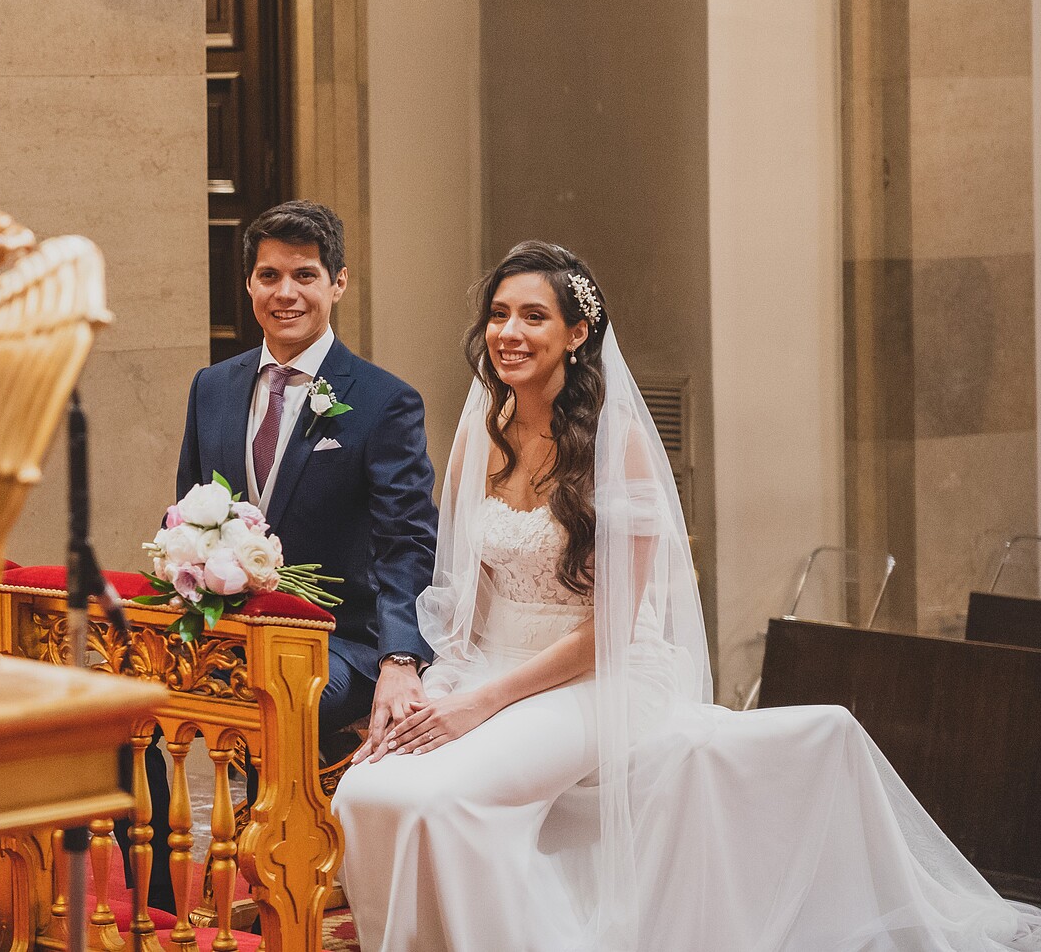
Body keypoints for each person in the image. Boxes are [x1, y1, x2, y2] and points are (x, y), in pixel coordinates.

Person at [331, 240, 1041, 952]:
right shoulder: (482, 434)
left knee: (439, 799)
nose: (508, 333)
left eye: (532, 317)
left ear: (577, 335)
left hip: (597, 676)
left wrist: (481, 705)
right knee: (366, 790)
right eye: (497, 314)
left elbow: (606, 630)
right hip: (490, 663)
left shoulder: (622, 446)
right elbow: (470, 596)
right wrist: (431, 683)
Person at [142, 199, 438, 911]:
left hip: (341, 642)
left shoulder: (384, 401)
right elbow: (188, 509)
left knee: (271, 698)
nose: (285, 294)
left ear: (338, 283)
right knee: (130, 704)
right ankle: (160, 904)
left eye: (304, 275)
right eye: (269, 276)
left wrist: (400, 658)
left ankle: (287, 879)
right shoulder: (211, 388)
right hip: (227, 625)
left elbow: (407, 541)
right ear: (248, 285)